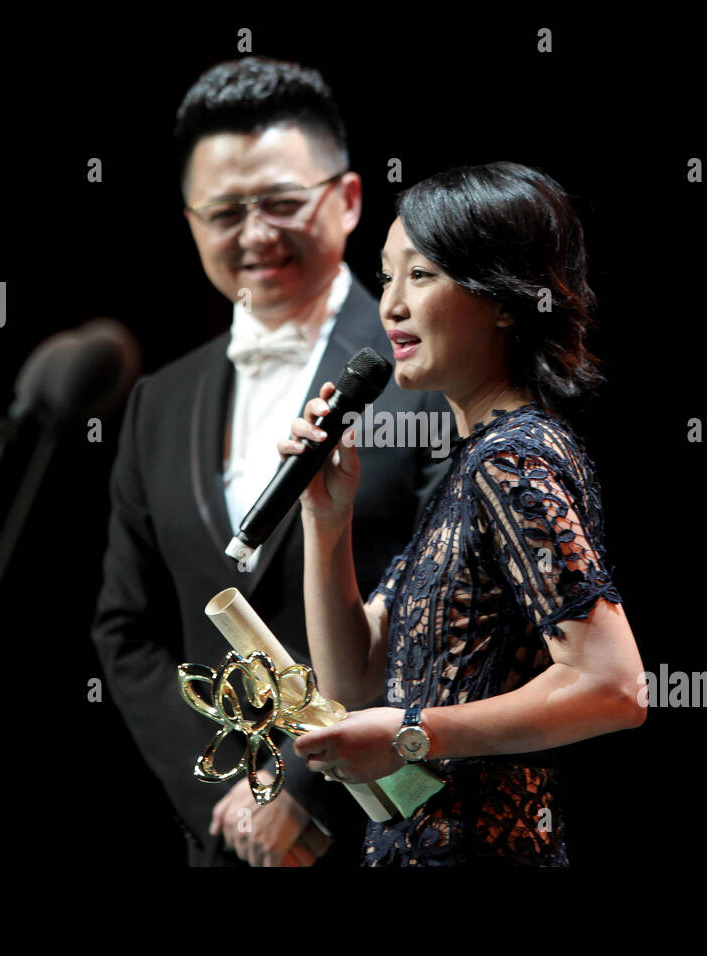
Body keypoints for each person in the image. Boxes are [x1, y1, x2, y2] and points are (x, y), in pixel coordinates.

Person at [90, 56, 450, 868]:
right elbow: (126, 628)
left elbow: (441, 611)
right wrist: (241, 794)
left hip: (389, 831)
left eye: (283, 203)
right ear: (190, 221)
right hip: (222, 843)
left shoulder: (430, 374)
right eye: (224, 211)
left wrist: (302, 789)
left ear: (348, 199)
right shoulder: (159, 400)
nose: (254, 234)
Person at [282, 162, 647, 865]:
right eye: (386, 277)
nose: (390, 306)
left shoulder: (513, 459)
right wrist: (325, 521)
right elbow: (354, 685)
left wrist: (413, 733)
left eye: (421, 275)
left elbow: (614, 685)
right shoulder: (472, 466)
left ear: (505, 300)